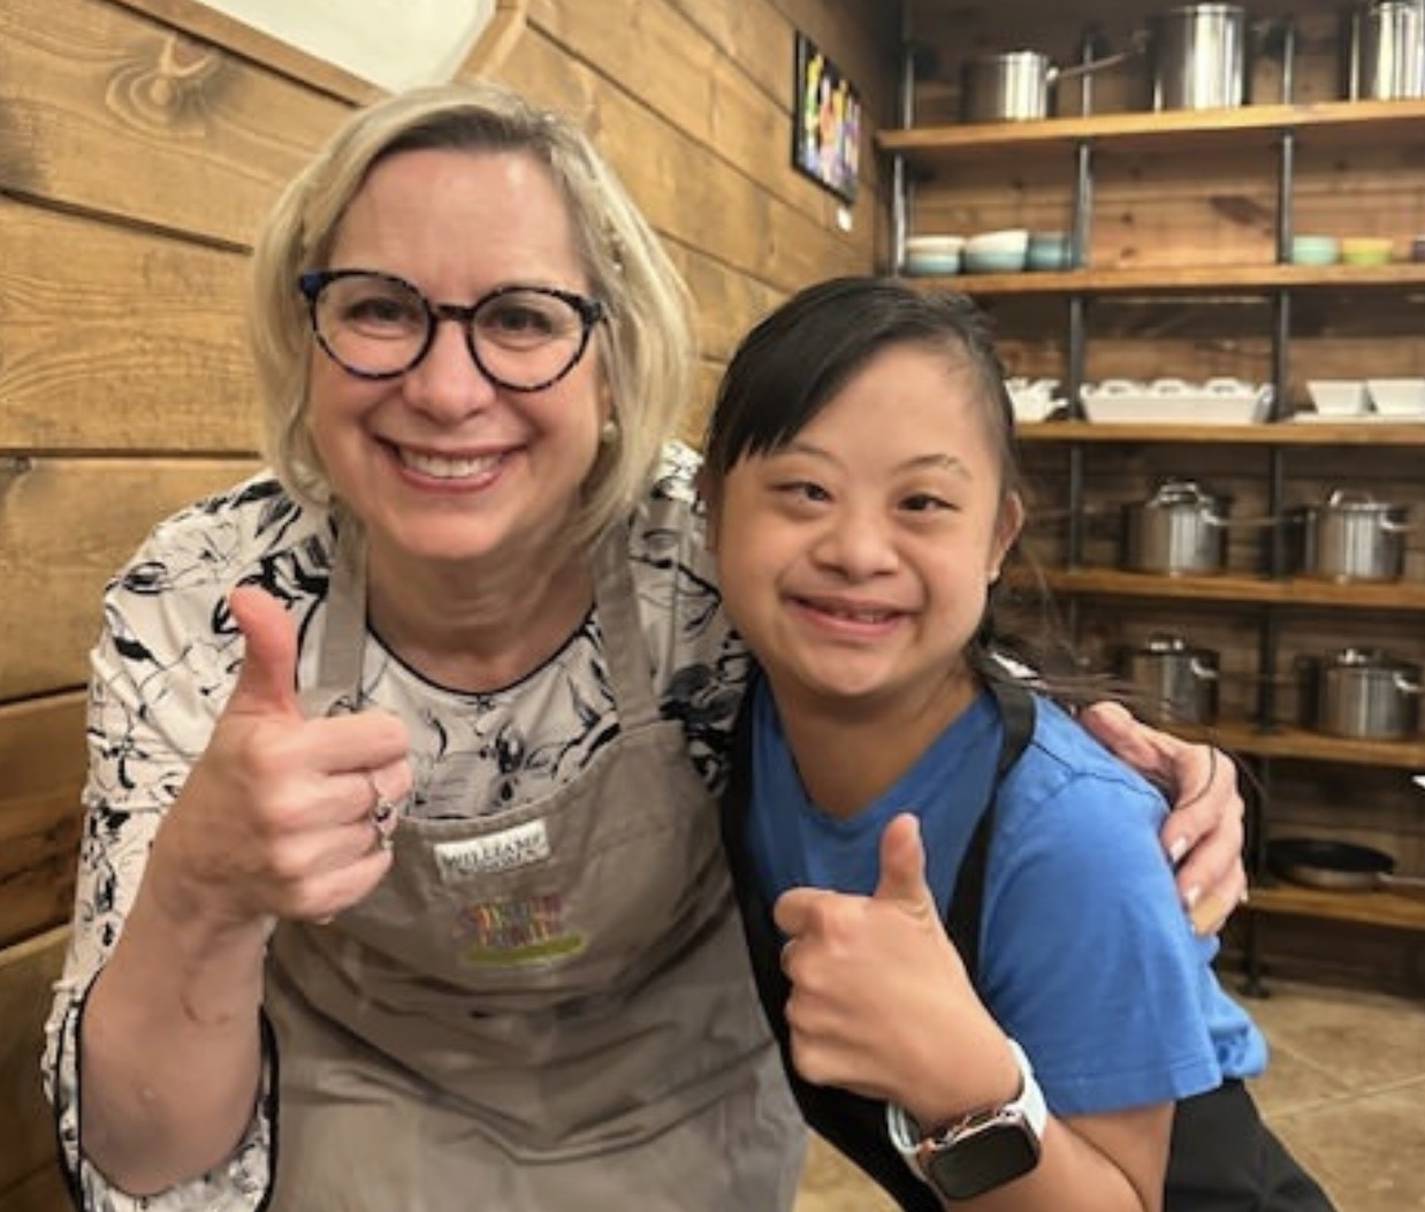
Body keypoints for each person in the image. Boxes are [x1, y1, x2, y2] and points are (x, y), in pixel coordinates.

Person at [42, 83, 1247, 1212]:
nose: (449, 389)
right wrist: (203, 888)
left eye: (520, 319)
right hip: (359, 1128)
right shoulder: (200, 600)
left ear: (614, 358)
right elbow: (148, 1154)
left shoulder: (707, 545)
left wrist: (1097, 770)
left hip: (683, 1129)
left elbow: (893, 644)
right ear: (304, 337)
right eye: (379, 308)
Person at [702, 277, 1336, 1211]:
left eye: (922, 502)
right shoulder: (737, 700)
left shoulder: (1072, 834)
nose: (857, 549)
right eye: (805, 489)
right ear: (710, 510)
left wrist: (966, 1087)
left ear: (997, 537)